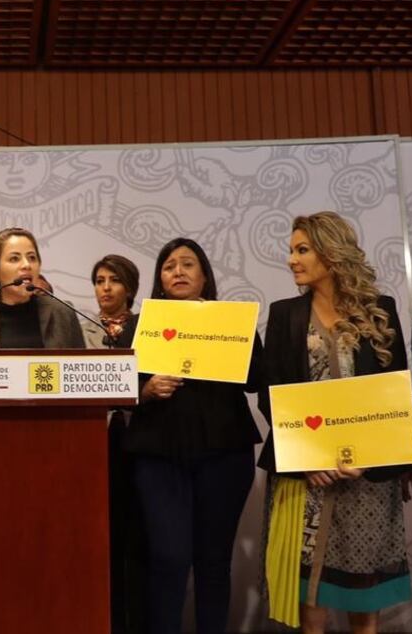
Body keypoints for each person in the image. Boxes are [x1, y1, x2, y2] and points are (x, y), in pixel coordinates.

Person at [259, 212, 412, 633]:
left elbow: (395, 394)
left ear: (332, 252)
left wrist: (377, 459)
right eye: (292, 250)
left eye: (302, 249)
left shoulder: (380, 310)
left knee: (364, 592)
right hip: (308, 476)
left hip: (367, 475)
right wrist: (308, 460)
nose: (292, 259)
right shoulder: (285, 314)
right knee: (311, 595)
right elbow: (273, 396)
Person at [125, 237, 261, 634]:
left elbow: (256, 379)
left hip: (224, 454)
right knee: (168, 557)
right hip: (158, 456)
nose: (178, 272)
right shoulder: (141, 324)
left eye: (188, 264)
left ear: (204, 277)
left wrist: (224, 334)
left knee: (213, 561)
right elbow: (117, 388)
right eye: (169, 266)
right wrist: (145, 390)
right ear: (159, 279)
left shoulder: (229, 320)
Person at [84, 254, 147, 634]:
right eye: (99, 280)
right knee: (100, 541)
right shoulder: (81, 330)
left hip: (139, 440)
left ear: (130, 288)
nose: (105, 288)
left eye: (114, 280)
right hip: (95, 443)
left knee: (139, 539)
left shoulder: (147, 328)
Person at [0, 227, 84, 349]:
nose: (26, 265)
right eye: (14, 259)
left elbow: (80, 369)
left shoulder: (63, 313)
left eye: (32, 257)